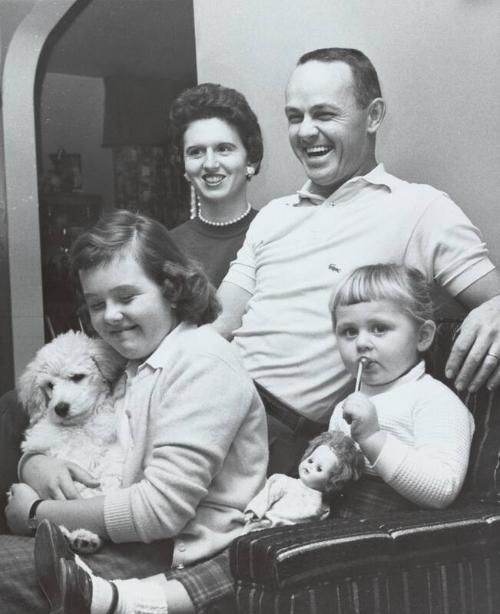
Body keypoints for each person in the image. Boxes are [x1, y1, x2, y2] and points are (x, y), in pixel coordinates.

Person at [215, 47, 500, 478]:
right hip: (212, 395)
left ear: (373, 115)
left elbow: (493, 296)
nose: (306, 131)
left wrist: (496, 308)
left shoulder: (419, 208)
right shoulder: (273, 215)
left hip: (276, 433)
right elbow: (216, 325)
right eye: (295, 117)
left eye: (324, 114)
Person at [0, 209, 268, 614]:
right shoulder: (129, 362)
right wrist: (33, 464)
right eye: (96, 304)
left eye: (126, 297)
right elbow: (75, 432)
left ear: (170, 287)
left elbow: (160, 511)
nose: (109, 315)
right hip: (126, 536)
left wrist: (38, 513)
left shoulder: (203, 363)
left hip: (179, 556)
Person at [328, 263, 475, 515]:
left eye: (379, 328)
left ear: (422, 336)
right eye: (349, 332)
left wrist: (373, 438)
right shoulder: (345, 407)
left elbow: (442, 490)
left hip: (397, 540)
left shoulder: (434, 400)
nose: (362, 342)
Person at [169, 83, 263, 287]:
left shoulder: (274, 231)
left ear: (251, 159)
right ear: (184, 167)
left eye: (223, 149)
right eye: (196, 152)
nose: (210, 164)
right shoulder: (167, 247)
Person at [244, 430, 363, 531]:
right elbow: (266, 496)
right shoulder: (285, 482)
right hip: (264, 527)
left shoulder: (323, 508)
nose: (310, 466)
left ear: (332, 481)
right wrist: (254, 511)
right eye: (310, 460)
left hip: (285, 540)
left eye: (319, 468)